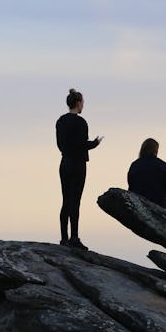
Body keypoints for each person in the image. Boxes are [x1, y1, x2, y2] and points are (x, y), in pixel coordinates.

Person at [55, 88, 103, 250]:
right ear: (78, 103)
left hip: (64, 163)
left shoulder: (60, 121)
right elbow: (82, 144)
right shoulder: (81, 122)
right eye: (82, 102)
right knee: (75, 200)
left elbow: (60, 144)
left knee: (66, 200)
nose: (83, 105)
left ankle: (64, 238)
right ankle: (74, 238)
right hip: (77, 164)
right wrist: (94, 143)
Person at [127, 138, 166, 215]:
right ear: (156, 150)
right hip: (158, 201)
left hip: (139, 200)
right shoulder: (161, 164)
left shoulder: (135, 164)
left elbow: (131, 185)